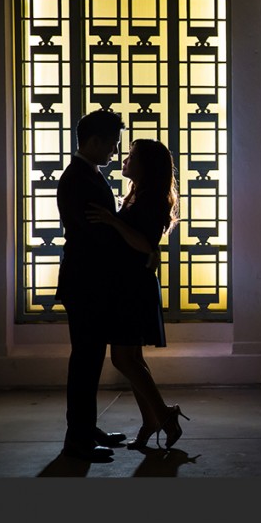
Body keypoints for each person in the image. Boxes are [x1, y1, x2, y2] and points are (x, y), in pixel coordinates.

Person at [86, 138, 189, 450]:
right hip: (127, 283)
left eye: (131, 156)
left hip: (132, 286)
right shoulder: (138, 195)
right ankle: (152, 420)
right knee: (131, 357)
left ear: (146, 166)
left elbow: (146, 244)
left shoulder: (151, 200)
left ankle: (164, 416)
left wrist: (112, 220)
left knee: (122, 357)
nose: (124, 160)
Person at [55, 109, 128, 462]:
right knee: (85, 361)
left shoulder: (85, 174)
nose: (115, 151)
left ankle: (86, 429)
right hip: (86, 282)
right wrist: (118, 226)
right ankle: (78, 441)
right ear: (95, 141)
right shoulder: (78, 179)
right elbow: (95, 234)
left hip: (88, 281)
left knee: (89, 360)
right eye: (112, 144)